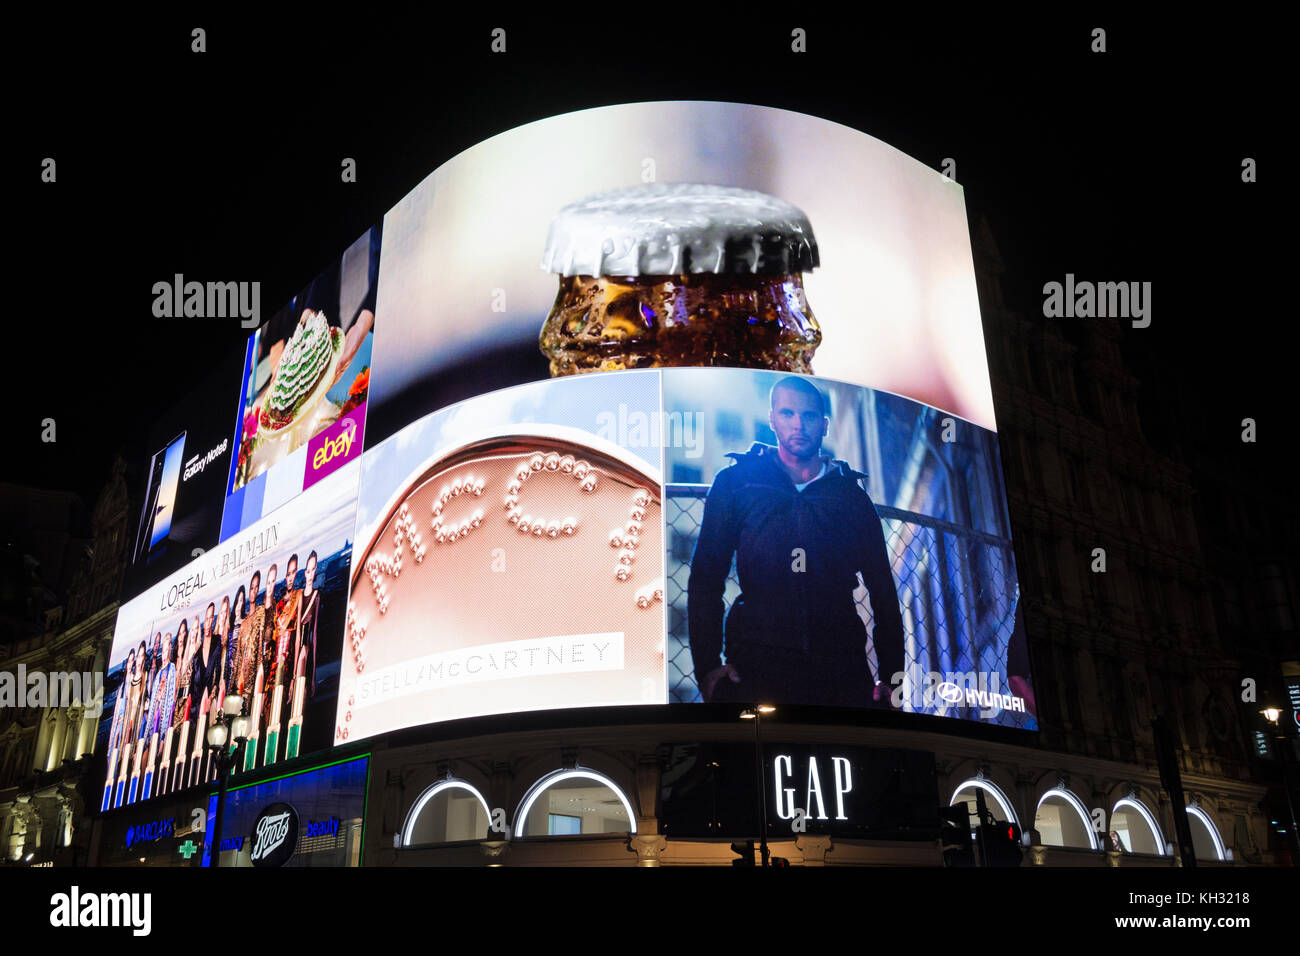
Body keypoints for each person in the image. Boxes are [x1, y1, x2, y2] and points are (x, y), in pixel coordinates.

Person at [687, 376, 906, 709]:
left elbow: (884, 592)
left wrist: (892, 679)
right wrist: (707, 667)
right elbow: (706, 578)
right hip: (758, 663)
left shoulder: (850, 496)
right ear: (772, 419)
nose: (798, 424)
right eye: (787, 413)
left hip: (840, 665)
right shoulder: (736, 482)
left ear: (824, 424)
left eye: (809, 415)